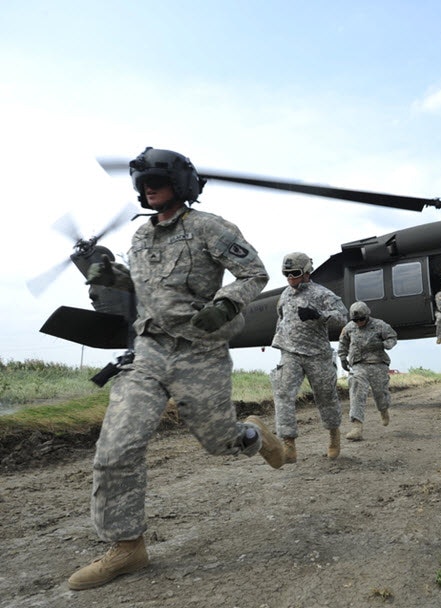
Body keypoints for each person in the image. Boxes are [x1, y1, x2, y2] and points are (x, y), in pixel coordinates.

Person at [67, 147, 284, 591]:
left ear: (181, 184)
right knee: (116, 446)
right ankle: (128, 547)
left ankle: (255, 434)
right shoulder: (141, 237)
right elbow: (143, 286)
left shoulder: (211, 228)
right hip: (148, 350)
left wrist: (225, 305)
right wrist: (109, 275)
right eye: (143, 181)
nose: (148, 187)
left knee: (221, 442)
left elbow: (253, 274)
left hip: (199, 351)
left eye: (158, 179)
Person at [271, 252, 349, 462]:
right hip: (290, 353)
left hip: (317, 355)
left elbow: (343, 317)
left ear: (306, 272)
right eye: (286, 274)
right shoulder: (285, 294)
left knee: (325, 397)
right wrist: (282, 342)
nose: (290, 278)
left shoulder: (322, 293)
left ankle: (333, 434)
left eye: (295, 273)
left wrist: (319, 315)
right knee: (283, 393)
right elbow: (281, 318)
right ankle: (288, 444)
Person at [337, 301, 398, 441]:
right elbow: (343, 342)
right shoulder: (349, 328)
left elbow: (392, 337)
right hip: (359, 365)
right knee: (356, 390)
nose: (359, 322)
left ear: (367, 315)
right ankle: (357, 427)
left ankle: (383, 410)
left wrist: (383, 344)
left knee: (380, 393)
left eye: (361, 319)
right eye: (355, 320)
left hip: (378, 364)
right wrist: (342, 357)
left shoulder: (380, 325)